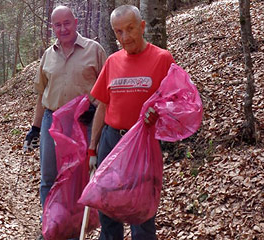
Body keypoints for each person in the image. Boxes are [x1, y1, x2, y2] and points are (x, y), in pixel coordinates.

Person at [87, 5, 175, 240]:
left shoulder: (162, 59)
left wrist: (159, 113)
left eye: (130, 29)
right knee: (107, 208)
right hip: (112, 140)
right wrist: (92, 148)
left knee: (141, 212)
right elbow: (103, 106)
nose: (124, 37)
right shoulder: (112, 62)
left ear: (142, 26)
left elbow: (176, 103)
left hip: (142, 144)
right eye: (118, 32)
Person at [22, 5, 106, 239]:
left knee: (78, 178)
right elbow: (41, 94)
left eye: (66, 23)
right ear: (52, 27)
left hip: (84, 122)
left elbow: (106, 88)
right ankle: (50, 228)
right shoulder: (48, 55)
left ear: (75, 22)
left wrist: (95, 107)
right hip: (53, 121)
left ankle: (73, 231)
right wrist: (35, 128)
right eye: (57, 25)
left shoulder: (94, 50)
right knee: (49, 177)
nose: (63, 28)